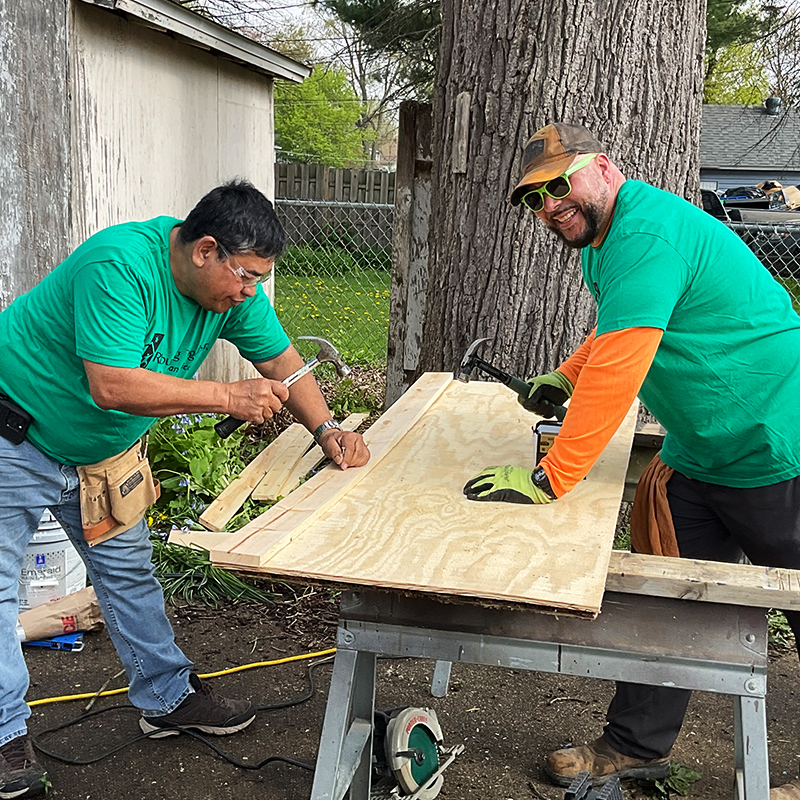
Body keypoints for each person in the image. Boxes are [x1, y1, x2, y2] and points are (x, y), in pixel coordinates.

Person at [0, 179, 370, 797]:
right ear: (205, 250)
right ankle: (5, 738)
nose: (251, 292)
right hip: (17, 434)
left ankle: (166, 696)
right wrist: (227, 395)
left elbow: (282, 361)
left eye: (259, 279)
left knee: (127, 574)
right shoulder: (119, 266)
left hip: (103, 450)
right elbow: (111, 385)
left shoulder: (234, 294)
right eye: (246, 276)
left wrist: (327, 428)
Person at [462, 123, 800, 798]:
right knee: (668, 599)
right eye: (534, 198)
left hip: (773, 446)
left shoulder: (644, 234)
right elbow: (614, 330)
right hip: (702, 450)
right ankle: (633, 746)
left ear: (604, 168)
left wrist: (551, 477)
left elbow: (620, 370)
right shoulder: (606, 237)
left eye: (561, 184)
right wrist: (564, 375)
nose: (551, 205)